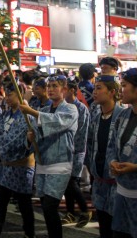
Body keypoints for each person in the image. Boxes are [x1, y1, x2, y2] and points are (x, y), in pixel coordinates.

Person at [19, 75, 78, 238]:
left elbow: (57, 122)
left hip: (60, 163)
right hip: (42, 162)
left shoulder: (70, 109)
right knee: (45, 206)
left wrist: (31, 111)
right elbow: (35, 134)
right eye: (49, 86)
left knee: (50, 206)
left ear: (64, 89)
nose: (51, 89)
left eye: (55, 86)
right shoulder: (44, 110)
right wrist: (30, 138)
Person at [0, 81, 36, 238]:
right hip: (6, 166)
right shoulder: (5, 114)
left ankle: (29, 233)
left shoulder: (28, 116)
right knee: (1, 204)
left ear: (20, 95)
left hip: (22, 168)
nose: (7, 98)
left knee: (24, 205)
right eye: (6, 94)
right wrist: (0, 140)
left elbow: (15, 141)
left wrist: (0, 140)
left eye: (10, 94)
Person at [86, 75, 123, 238]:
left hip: (117, 183)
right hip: (99, 181)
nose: (95, 92)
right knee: (104, 227)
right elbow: (90, 146)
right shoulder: (95, 118)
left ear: (112, 92)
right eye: (94, 88)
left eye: (99, 88)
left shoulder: (124, 116)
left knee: (119, 228)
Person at [108, 68, 137, 238]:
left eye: (124, 85)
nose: (121, 89)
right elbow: (113, 145)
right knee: (119, 233)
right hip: (121, 191)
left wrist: (135, 167)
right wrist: (112, 161)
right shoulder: (123, 115)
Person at [61, 76, 91, 227]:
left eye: (64, 89)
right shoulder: (64, 107)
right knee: (67, 183)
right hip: (65, 150)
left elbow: (81, 132)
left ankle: (84, 210)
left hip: (76, 150)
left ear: (72, 90)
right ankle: (70, 212)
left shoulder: (81, 108)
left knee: (72, 181)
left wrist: (71, 147)